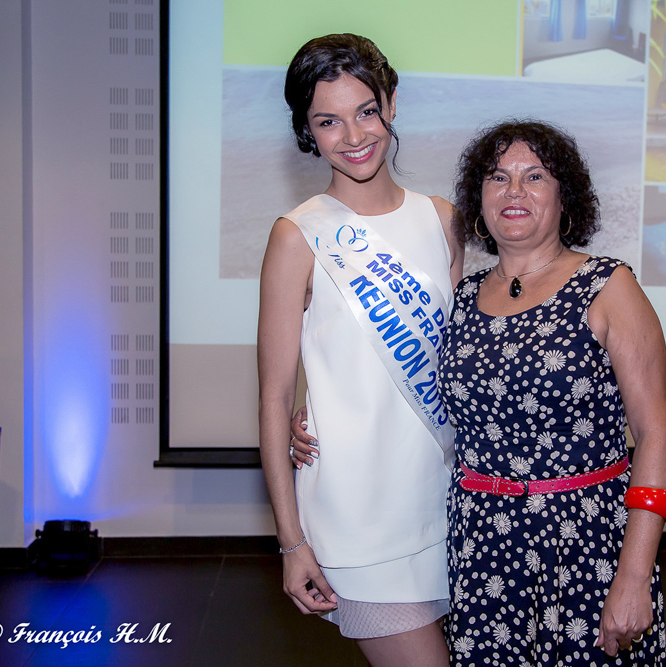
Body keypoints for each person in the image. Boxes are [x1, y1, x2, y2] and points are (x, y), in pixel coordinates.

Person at [438, 120, 666, 666]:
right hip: (481, 549)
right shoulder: (462, 296)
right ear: (478, 199)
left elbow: (657, 434)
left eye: (534, 176)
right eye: (497, 177)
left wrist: (635, 575)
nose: (513, 191)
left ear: (564, 197)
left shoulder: (608, 287)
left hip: (585, 545)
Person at [257, 33, 463, 667]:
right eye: (328, 121)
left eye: (366, 111)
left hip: (447, 503)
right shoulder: (298, 236)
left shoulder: (444, 220)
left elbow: (459, 364)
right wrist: (292, 543)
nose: (353, 136)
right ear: (307, 130)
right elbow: (273, 398)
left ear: (391, 104)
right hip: (354, 515)